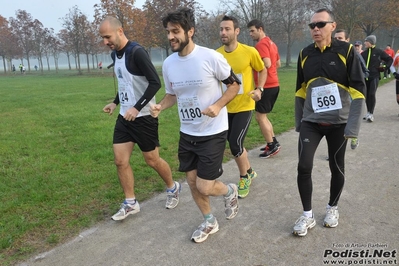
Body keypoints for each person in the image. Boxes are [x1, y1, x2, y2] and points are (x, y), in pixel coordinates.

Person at [151, 7, 239, 243]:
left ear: (190, 31)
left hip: (213, 131)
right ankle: (210, 221)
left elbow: (234, 85)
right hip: (187, 132)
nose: (170, 37)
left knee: (204, 185)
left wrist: (218, 105)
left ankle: (230, 191)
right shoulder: (169, 64)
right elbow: (172, 95)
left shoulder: (211, 57)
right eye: (168, 32)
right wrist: (161, 106)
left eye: (175, 31)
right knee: (191, 182)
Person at [99, 16, 180, 221]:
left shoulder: (137, 52)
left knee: (152, 160)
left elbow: (155, 83)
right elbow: (126, 82)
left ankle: (172, 188)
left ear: (120, 31)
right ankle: (130, 202)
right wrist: (115, 102)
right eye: (102, 37)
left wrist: (136, 108)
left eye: (107, 36)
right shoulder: (115, 55)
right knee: (120, 161)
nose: (105, 41)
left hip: (143, 117)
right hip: (124, 117)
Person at [293, 8, 366, 237]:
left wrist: (352, 127)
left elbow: (358, 90)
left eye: (320, 24)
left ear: (333, 26)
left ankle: (332, 208)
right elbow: (300, 90)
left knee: (336, 166)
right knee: (304, 165)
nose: (315, 29)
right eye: (312, 26)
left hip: (339, 123)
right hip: (311, 122)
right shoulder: (305, 53)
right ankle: (307, 215)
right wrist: (299, 122)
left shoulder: (346, 51)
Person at [216, 15, 266, 198]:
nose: (223, 32)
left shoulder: (249, 51)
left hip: (245, 105)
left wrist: (259, 89)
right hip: (224, 108)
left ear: (236, 31)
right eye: (221, 29)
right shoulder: (216, 55)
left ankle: (244, 177)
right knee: (235, 144)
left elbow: (262, 69)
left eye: (227, 29)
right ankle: (250, 170)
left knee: (235, 142)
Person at [247, 19, 282, 158]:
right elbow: (277, 63)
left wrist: (254, 68)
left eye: (252, 31)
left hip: (266, 86)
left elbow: (266, 64)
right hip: (274, 84)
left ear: (260, 29)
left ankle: (272, 146)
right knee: (263, 116)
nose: (250, 34)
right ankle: (273, 142)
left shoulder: (261, 44)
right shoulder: (271, 42)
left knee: (260, 117)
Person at [334, 29, 369, 150]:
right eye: (335, 38)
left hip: (350, 91)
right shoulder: (332, 54)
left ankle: (353, 136)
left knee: (346, 117)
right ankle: (335, 148)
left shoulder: (354, 53)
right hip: (336, 92)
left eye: (340, 39)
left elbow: (365, 71)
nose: (337, 41)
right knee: (336, 120)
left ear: (347, 40)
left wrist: (357, 80)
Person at [361, 35, 393, 122]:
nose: (364, 43)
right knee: (367, 95)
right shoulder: (363, 53)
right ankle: (368, 112)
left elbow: (390, 59)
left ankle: (371, 114)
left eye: (366, 41)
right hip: (365, 77)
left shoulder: (379, 52)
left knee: (372, 94)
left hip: (374, 76)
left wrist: (385, 67)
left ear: (370, 42)